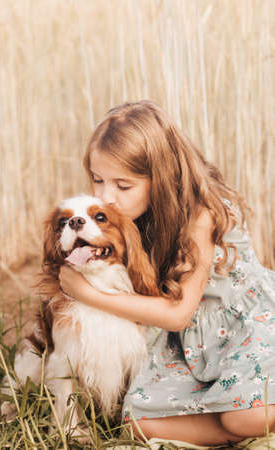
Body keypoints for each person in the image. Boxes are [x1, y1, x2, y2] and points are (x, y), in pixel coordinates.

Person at [59, 100, 275, 446]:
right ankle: (232, 421)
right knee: (138, 423)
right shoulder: (132, 217)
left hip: (244, 327)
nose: (105, 197)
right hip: (191, 346)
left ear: (159, 178)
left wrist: (89, 295)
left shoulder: (200, 215)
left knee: (246, 415)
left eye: (122, 186)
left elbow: (177, 314)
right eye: (98, 180)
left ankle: (240, 421)